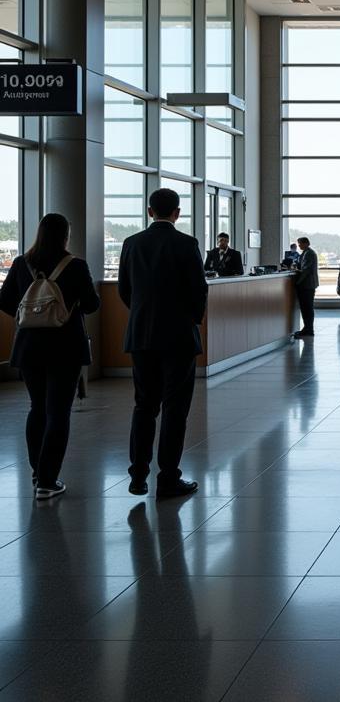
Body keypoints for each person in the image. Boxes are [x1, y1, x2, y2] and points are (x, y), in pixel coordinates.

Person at [0, 214, 100, 501]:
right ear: (65, 235)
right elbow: (92, 305)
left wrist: (31, 315)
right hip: (65, 348)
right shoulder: (75, 265)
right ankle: (47, 480)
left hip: (29, 347)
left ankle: (37, 473)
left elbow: (5, 301)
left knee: (37, 408)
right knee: (58, 411)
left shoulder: (21, 263)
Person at [118, 188, 208, 499]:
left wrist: (143, 315)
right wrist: (191, 319)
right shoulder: (186, 244)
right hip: (178, 337)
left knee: (144, 405)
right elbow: (199, 290)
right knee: (174, 409)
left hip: (141, 336)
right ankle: (168, 477)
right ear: (177, 213)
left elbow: (124, 290)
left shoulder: (131, 244)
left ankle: (137, 476)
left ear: (149, 211)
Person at [293, 236, 319, 337]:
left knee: (307, 307)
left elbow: (306, 270)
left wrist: (298, 282)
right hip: (307, 285)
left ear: (306, 243)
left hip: (307, 285)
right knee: (305, 308)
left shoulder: (309, 254)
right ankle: (307, 328)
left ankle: (309, 329)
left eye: (300, 244)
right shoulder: (305, 253)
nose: (299, 246)